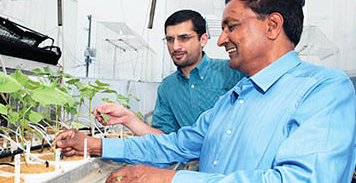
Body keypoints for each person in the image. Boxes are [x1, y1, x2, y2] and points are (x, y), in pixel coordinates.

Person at [55, 0, 356, 183]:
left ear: (272, 26)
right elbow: (172, 144)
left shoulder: (324, 91)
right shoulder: (231, 101)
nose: (222, 39)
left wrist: (168, 182)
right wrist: (93, 145)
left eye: (231, 26)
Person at [94, 9, 244, 136]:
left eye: (184, 38)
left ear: (203, 39)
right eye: (170, 39)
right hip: (188, 166)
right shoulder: (168, 87)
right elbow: (164, 138)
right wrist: (127, 119)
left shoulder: (232, 72)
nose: (175, 46)